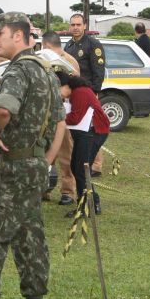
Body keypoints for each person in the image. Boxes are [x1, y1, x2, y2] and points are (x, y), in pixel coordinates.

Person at [0, 12, 65, 299]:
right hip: (35, 166)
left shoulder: (18, 71)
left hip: (11, 165)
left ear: (18, 35)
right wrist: (46, 160)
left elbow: (3, 109)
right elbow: (60, 122)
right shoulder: (46, 70)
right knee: (31, 237)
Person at [57, 73, 110, 217]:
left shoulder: (80, 93)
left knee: (81, 169)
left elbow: (75, 118)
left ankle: (86, 207)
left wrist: (55, 118)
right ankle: (92, 203)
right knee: (77, 167)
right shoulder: (75, 93)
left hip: (93, 132)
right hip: (87, 133)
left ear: (65, 85)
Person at [65, 13, 106, 176]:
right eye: (73, 25)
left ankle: (96, 164)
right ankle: (83, 160)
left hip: (89, 94)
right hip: (74, 94)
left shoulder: (93, 44)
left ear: (84, 26)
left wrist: (93, 93)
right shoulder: (69, 46)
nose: (75, 27)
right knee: (78, 129)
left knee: (91, 129)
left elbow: (98, 71)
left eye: (78, 25)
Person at [42, 31, 80, 206]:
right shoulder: (42, 59)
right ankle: (43, 188)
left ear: (47, 45)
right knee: (44, 151)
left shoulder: (69, 61)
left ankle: (68, 191)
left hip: (63, 112)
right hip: (44, 113)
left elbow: (73, 87)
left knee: (66, 153)